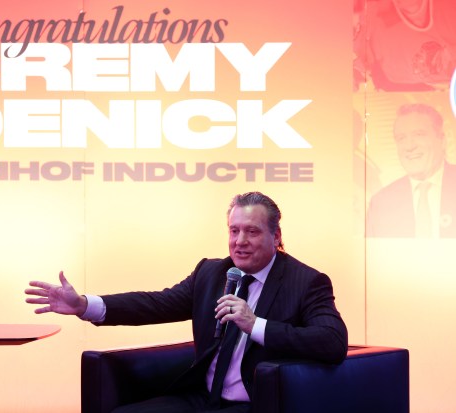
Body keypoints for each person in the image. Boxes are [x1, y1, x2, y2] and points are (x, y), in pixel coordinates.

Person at [25, 192, 348, 412]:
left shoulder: (306, 282)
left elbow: (333, 341)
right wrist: (84, 305)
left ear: (275, 236)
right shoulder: (213, 272)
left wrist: (255, 324)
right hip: (202, 396)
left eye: (252, 231)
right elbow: (156, 304)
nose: (239, 242)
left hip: (257, 402)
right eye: (234, 230)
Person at [366, 103, 456, 238]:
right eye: (401, 138)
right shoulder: (381, 203)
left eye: (419, 134)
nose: (409, 146)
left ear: (442, 141)